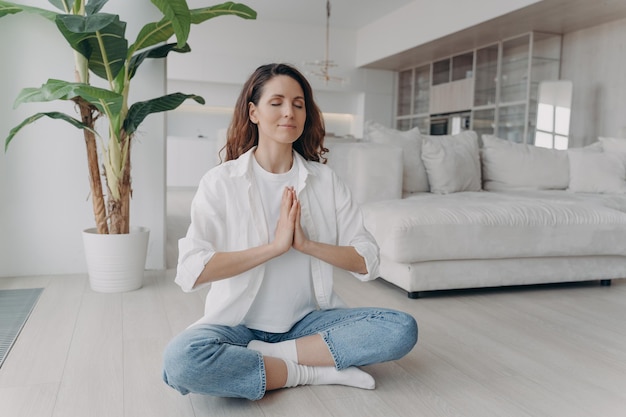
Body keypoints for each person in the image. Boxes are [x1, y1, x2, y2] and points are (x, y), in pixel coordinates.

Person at [162, 63, 418, 401]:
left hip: (307, 324)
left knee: (400, 328)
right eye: (277, 102)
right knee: (180, 362)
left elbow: (367, 261)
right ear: (253, 112)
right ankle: (311, 369)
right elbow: (192, 270)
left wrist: (306, 245)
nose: (290, 112)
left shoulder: (325, 181)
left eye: (299, 104)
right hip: (237, 326)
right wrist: (274, 247)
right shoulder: (221, 182)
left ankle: (273, 362)